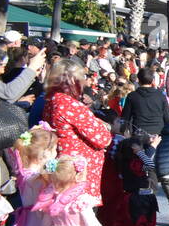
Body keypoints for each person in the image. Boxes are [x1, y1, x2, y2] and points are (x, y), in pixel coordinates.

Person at [41, 59, 114, 208]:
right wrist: (103, 125)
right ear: (72, 81)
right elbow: (103, 139)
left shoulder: (51, 100)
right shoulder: (68, 104)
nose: (85, 83)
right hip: (79, 171)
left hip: (64, 165)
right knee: (80, 222)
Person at [120, 66, 169, 139]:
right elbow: (167, 116)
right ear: (153, 80)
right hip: (158, 133)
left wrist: (122, 131)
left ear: (138, 80)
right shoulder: (160, 95)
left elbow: (125, 117)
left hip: (139, 132)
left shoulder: (132, 96)